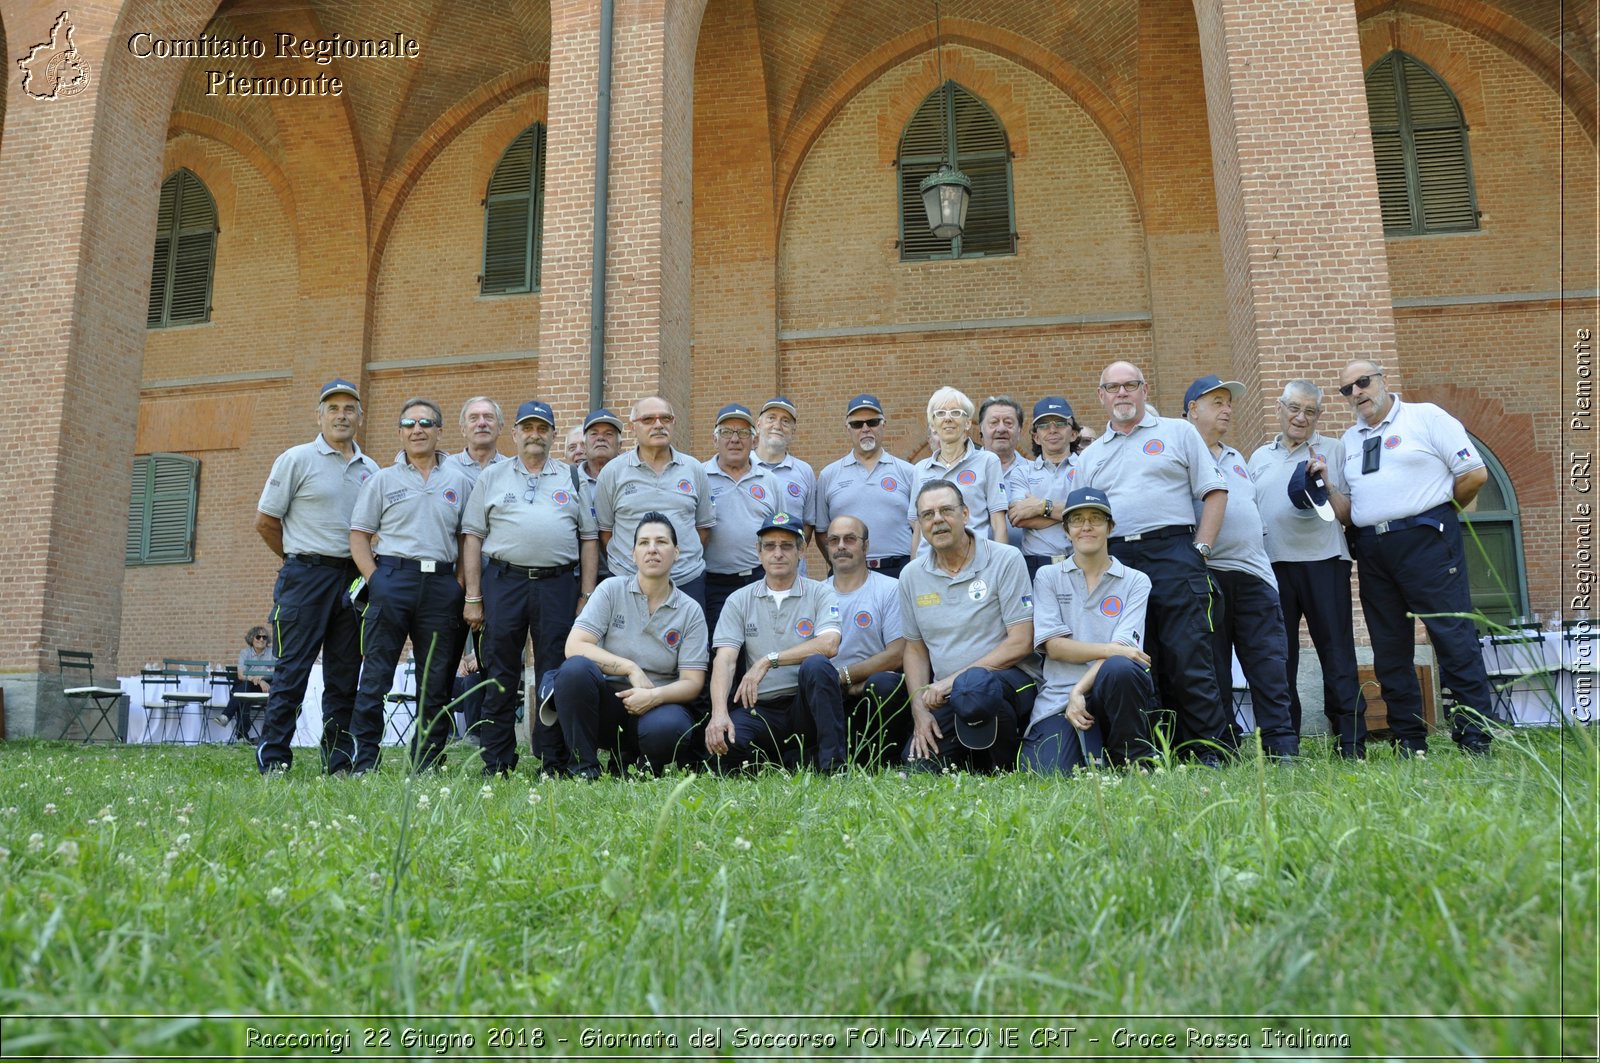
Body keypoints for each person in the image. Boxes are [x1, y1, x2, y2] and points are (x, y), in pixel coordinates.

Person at [1330, 360, 1497, 757]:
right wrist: (1325, 483)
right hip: (1371, 549)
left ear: (1382, 380)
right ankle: (1409, 738)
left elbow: (1474, 474)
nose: (1357, 393)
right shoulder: (1350, 441)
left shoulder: (1426, 418)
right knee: (1389, 648)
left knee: (1453, 638)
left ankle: (1474, 736)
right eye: (1347, 390)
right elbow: (1351, 510)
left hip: (1428, 541)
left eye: (1363, 382)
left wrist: (1436, 515)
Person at [1074, 361, 1231, 763]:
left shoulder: (1178, 433)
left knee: (1188, 655)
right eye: (1113, 387)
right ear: (1102, 396)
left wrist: (1202, 550)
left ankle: (1210, 750)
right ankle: (1152, 753)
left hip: (1175, 551)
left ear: (1145, 390)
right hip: (1119, 560)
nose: (1122, 393)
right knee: (1135, 657)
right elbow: (1084, 519)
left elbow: (1214, 492)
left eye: (1130, 386)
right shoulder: (1090, 457)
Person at [461, 400, 599, 776]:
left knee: (554, 674)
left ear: (553, 435)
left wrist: (586, 595)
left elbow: (589, 539)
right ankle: (498, 761)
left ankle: (553, 760)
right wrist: (473, 596)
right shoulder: (492, 476)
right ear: (516, 433)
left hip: (558, 586)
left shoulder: (571, 478)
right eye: (528, 427)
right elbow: (472, 536)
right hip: (504, 582)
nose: (535, 434)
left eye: (543, 428)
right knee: (499, 672)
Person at [252, 378, 379, 775]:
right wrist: (296, 561)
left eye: (349, 409)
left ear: (360, 416)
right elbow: (266, 522)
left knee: (344, 676)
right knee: (292, 671)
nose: (341, 415)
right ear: (319, 415)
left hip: (352, 580)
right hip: (304, 576)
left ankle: (337, 760)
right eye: (333, 408)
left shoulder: (371, 469)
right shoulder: (296, 458)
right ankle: (274, 757)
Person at [348, 398, 475, 773]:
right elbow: (359, 536)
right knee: (375, 676)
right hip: (392, 580)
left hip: (441, 585)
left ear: (439, 430)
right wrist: (376, 580)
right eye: (409, 423)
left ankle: (426, 762)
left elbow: (469, 537)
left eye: (425, 422)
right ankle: (364, 760)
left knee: (434, 680)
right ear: (400, 432)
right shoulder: (382, 480)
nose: (417, 429)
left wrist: (460, 584)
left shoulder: (459, 481)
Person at [1248, 380, 1366, 758]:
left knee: (1338, 656)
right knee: (1279, 660)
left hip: (1325, 563)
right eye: (1294, 408)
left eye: (1310, 411)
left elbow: (1349, 515)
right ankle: (1284, 745)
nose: (1301, 417)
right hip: (1272, 568)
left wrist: (1326, 482)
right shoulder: (1258, 457)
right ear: (1280, 408)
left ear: (1320, 415)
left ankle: (1350, 743)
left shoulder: (1337, 449)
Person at [1183, 375, 1300, 758]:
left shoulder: (1237, 458)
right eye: (1217, 402)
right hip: (1209, 576)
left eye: (1228, 402)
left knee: (1269, 666)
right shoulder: (1179, 456)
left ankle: (1281, 747)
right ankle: (1223, 747)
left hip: (1255, 577)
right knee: (1212, 671)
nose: (1227, 409)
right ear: (1192, 411)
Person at [554, 512, 709, 777]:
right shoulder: (610, 590)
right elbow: (575, 645)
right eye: (644, 543)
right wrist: (629, 668)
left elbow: (693, 682)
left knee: (669, 728)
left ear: (677, 552)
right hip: (609, 703)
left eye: (661, 542)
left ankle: (640, 767)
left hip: (657, 706)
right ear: (633, 553)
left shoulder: (690, 610)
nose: (652, 550)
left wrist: (653, 696)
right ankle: (584, 769)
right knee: (574, 670)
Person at [900, 480, 1038, 771]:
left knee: (975, 688)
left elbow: (1021, 642)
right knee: (918, 767)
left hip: (1009, 682)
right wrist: (919, 710)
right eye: (928, 515)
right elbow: (914, 649)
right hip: (948, 695)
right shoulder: (911, 575)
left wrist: (951, 681)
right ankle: (970, 758)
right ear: (921, 525)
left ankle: (1004, 766)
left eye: (946, 510)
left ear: (965, 514)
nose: (937, 520)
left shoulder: (1004, 559)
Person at [1023, 488, 1156, 772]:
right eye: (1077, 520)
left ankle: (1133, 760)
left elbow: (1125, 653)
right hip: (1058, 699)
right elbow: (1055, 646)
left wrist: (1079, 690)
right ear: (1066, 530)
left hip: (1112, 692)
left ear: (1110, 527)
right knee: (1047, 772)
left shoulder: (1136, 581)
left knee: (1120, 668)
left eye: (1096, 518)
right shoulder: (1047, 576)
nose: (1086, 526)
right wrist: (1110, 650)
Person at [705, 512, 846, 772]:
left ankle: (833, 768)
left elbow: (829, 644)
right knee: (725, 745)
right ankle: (789, 761)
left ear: (801, 551)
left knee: (817, 665)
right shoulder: (739, 599)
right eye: (769, 546)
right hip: (761, 708)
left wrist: (769, 660)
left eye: (786, 546)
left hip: (804, 706)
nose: (778, 553)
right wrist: (719, 713)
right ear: (759, 553)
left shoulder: (820, 592)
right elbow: (725, 660)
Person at [593, 396, 715, 609]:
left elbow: (703, 529)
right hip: (627, 582)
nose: (658, 425)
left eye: (665, 418)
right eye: (648, 419)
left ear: (673, 423)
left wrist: (673, 561)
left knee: (686, 642)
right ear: (634, 427)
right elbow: (605, 533)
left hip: (686, 582)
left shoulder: (694, 469)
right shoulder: (612, 472)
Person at [822, 515, 910, 764]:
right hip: (827, 698)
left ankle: (886, 761)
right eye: (834, 540)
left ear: (866, 546)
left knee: (886, 684)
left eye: (850, 539)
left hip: (870, 692)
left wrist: (845, 678)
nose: (841, 546)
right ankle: (827, 763)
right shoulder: (815, 593)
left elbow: (897, 654)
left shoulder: (890, 589)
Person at [811, 394, 917, 578]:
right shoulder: (829, 475)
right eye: (857, 424)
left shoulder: (909, 472)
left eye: (873, 422)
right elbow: (821, 531)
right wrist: (839, 561)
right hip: (847, 571)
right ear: (848, 428)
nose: (865, 429)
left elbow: (920, 528)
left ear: (883, 425)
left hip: (899, 570)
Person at [701, 402, 780, 636]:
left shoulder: (770, 481)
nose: (735, 439)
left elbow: (780, 530)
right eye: (726, 432)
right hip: (713, 584)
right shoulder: (699, 476)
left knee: (760, 646)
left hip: (760, 581)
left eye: (743, 432)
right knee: (720, 648)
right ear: (715, 440)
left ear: (754, 440)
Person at [908, 387, 1008, 556]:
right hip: (929, 566)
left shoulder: (987, 462)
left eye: (955, 412)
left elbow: (999, 524)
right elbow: (918, 530)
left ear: (967, 422)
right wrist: (912, 574)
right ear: (933, 425)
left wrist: (1002, 565)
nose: (947, 418)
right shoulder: (920, 469)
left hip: (975, 560)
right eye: (940, 413)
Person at [1006, 396, 1078, 578]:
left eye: (1060, 423)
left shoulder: (1087, 467)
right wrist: (1072, 513)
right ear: (1036, 437)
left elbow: (1093, 516)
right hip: (1034, 565)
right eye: (1044, 425)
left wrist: (1039, 507)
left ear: (1074, 433)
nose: (1052, 430)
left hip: (1079, 562)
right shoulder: (1022, 472)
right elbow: (1018, 518)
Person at [754, 396, 818, 555]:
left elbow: (808, 523)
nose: (777, 425)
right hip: (749, 569)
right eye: (771, 418)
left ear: (793, 431)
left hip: (791, 571)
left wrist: (792, 556)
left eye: (785, 421)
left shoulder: (804, 471)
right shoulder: (742, 467)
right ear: (758, 425)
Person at [576, 408, 626, 582]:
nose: (601, 438)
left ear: (620, 445)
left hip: (620, 574)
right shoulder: (568, 481)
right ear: (584, 444)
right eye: (594, 433)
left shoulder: (630, 480)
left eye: (609, 434)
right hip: (577, 577)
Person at [214, 626, 276, 740]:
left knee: (242, 692)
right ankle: (242, 736)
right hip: (247, 685)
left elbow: (276, 670)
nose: (261, 639)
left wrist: (261, 678)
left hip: (263, 689)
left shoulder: (271, 653)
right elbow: (241, 675)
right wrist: (255, 679)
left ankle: (227, 718)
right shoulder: (245, 653)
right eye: (258, 637)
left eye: (264, 637)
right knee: (244, 693)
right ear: (252, 639)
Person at [447, 396, 508, 486]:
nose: (482, 423)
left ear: (500, 428)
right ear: (463, 429)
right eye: (473, 418)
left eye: (488, 417)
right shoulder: (446, 468)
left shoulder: (511, 470)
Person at [978, 395, 1026, 478]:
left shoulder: (1034, 473)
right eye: (994, 422)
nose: (1001, 429)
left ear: (1019, 430)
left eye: (1008, 422)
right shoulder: (964, 469)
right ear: (981, 428)